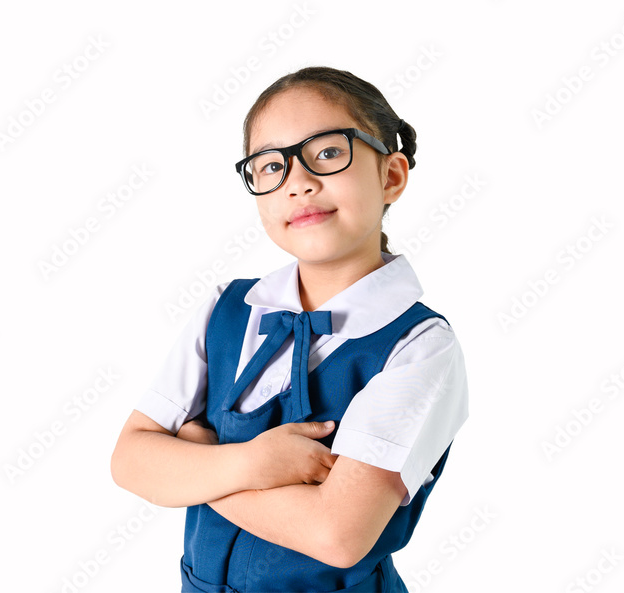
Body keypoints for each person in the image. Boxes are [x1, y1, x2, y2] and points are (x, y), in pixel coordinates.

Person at [111, 66, 469, 592]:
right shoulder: (227, 308)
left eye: (327, 152)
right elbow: (130, 461)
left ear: (390, 176)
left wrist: (198, 467)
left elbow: (336, 534)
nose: (298, 181)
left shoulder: (419, 348)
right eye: (271, 165)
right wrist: (255, 463)